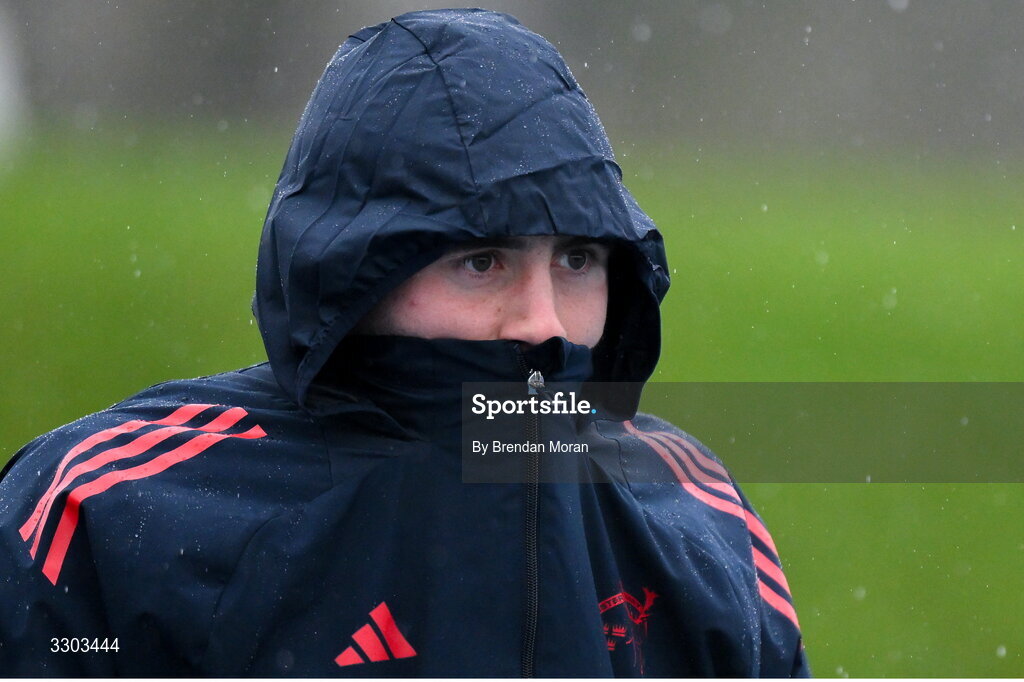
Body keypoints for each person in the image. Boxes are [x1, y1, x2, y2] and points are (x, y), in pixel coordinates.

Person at [0, 9, 808, 677]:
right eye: (482, 261)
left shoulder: (698, 516)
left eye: (576, 260)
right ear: (353, 274)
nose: (545, 321)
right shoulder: (107, 513)